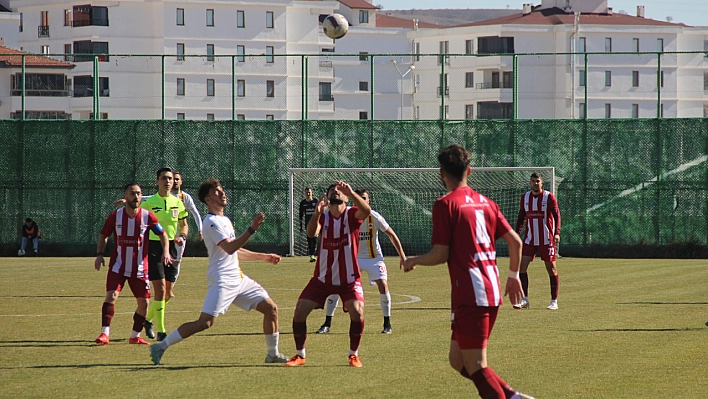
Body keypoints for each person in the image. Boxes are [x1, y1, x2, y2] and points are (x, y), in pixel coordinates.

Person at [403, 144, 534, 399]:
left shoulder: (445, 205)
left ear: (441, 173)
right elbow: (516, 242)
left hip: (472, 295)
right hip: (489, 290)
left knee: (476, 364)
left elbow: (441, 254)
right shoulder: (487, 203)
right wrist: (513, 276)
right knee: (458, 360)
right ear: (469, 171)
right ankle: (514, 396)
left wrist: (413, 260)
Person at [149, 179, 288, 365]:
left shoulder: (225, 220)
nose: (222, 193)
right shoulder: (211, 222)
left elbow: (235, 251)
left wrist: (263, 256)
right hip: (221, 280)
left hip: (238, 279)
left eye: (222, 190)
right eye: (217, 192)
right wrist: (251, 229)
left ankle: (272, 354)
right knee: (204, 323)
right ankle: (161, 346)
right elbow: (230, 248)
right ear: (207, 199)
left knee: (271, 308)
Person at [285, 181, 371, 368]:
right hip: (322, 279)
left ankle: (353, 354)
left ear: (346, 198)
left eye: (340, 191)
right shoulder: (323, 217)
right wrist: (316, 213)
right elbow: (311, 233)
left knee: (357, 311)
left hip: (349, 278)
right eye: (333, 190)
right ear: (328, 196)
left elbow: (366, 211)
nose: (336, 192)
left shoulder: (351, 214)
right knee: (299, 311)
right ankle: (300, 355)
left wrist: (352, 192)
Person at [316, 189, 406, 335]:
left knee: (383, 285)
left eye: (364, 198)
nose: (362, 201)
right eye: (359, 198)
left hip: (374, 259)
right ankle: (327, 323)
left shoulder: (374, 216)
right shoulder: (347, 215)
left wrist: (402, 255)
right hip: (352, 258)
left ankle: (387, 324)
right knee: (336, 286)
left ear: (368, 201)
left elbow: (391, 234)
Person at [94, 183, 172, 346]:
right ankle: (104, 333)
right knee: (112, 296)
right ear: (125, 196)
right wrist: (100, 255)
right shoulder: (116, 216)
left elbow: (163, 234)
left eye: (138, 193)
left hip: (139, 268)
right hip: (118, 266)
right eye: (132, 193)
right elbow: (103, 235)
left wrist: (166, 252)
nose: (136, 196)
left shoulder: (148, 216)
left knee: (144, 303)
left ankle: (135, 336)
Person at [141, 167, 188, 341]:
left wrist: (182, 236)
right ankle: (161, 331)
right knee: (159, 289)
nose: (168, 181)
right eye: (164, 178)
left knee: (168, 293)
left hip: (173, 246)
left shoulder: (178, 202)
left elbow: (184, 224)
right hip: (154, 247)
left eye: (170, 178)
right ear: (157, 181)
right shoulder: (149, 203)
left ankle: (146, 320)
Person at [513, 172, 561, 311]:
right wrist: (516, 234)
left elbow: (557, 215)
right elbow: (521, 216)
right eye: (533, 181)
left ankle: (554, 301)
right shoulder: (525, 197)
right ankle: (525, 299)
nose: (535, 183)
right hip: (530, 239)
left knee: (551, 269)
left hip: (546, 239)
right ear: (530, 183)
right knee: (522, 268)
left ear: (542, 183)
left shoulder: (548, 197)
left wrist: (557, 233)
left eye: (537, 181)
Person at [298, 187, 319, 262]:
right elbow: (301, 215)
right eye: (307, 192)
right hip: (307, 224)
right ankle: (311, 254)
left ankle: (312, 253)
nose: (308, 194)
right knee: (309, 239)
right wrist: (300, 225)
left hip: (316, 224)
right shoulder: (303, 203)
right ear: (305, 193)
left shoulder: (316, 201)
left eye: (309, 192)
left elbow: (320, 212)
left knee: (315, 239)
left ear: (312, 193)